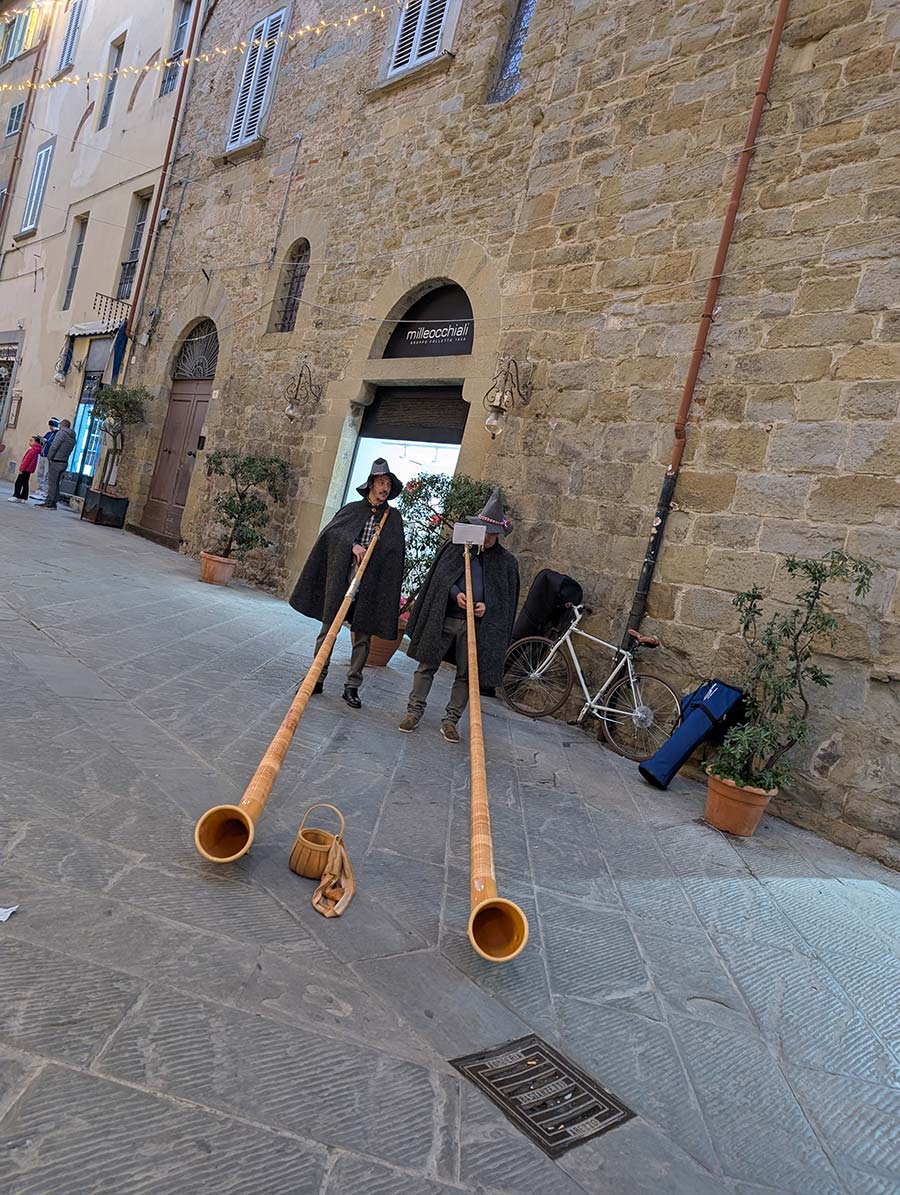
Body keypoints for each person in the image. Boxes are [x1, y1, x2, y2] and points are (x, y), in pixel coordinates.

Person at [400, 488, 519, 743]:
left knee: (467, 673)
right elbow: (440, 577)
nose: (486, 538)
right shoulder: (459, 546)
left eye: (493, 534)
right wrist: (456, 594)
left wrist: (488, 607)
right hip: (446, 617)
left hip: (475, 626)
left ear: (500, 534)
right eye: (484, 532)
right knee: (427, 663)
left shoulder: (506, 563)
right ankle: (413, 712)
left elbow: (506, 601)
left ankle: (451, 721)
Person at [289, 458, 406, 708]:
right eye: (381, 482)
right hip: (343, 581)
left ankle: (352, 686)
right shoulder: (352, 509)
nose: (385, 488)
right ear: (372, 484)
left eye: (388, 484)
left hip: (370, 586)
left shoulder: (392, 518)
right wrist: (351, 546)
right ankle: (317, 677)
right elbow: (332, 533)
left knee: (363, 637)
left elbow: (395, 553)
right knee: (328, 630)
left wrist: (377, 557)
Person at [36, 418, 76, 510]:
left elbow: (54, 446)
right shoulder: (72, 436)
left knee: (52, 483)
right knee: (57, 483)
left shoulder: (61, 433)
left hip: (56, 461)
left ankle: (49, 503)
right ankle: (54, 502)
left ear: (62, 425)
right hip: (64, 462)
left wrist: (49, 458)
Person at [31, 418, 59, 501]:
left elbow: (53, 445)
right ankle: (40, 489)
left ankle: (45, 492)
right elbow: (43, 442)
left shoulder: (57, 435)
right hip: (42, 455)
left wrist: (47, 441)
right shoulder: (48, 433)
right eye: (50, 426)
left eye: (52, 425)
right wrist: (41, 439)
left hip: (48, 457)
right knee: (40, 472)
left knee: (46, 474)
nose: (50, 427)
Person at [9, 435, 42, 503]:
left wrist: (21, 469)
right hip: (29, 469)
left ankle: (16, 496)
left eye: (31, 441)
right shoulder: (37, 450)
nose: (29, 442)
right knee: (25, 483)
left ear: (36, 443)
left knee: (18, 482)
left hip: (25, 469)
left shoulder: (32, 450)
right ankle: (24, 497)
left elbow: (26, 460)